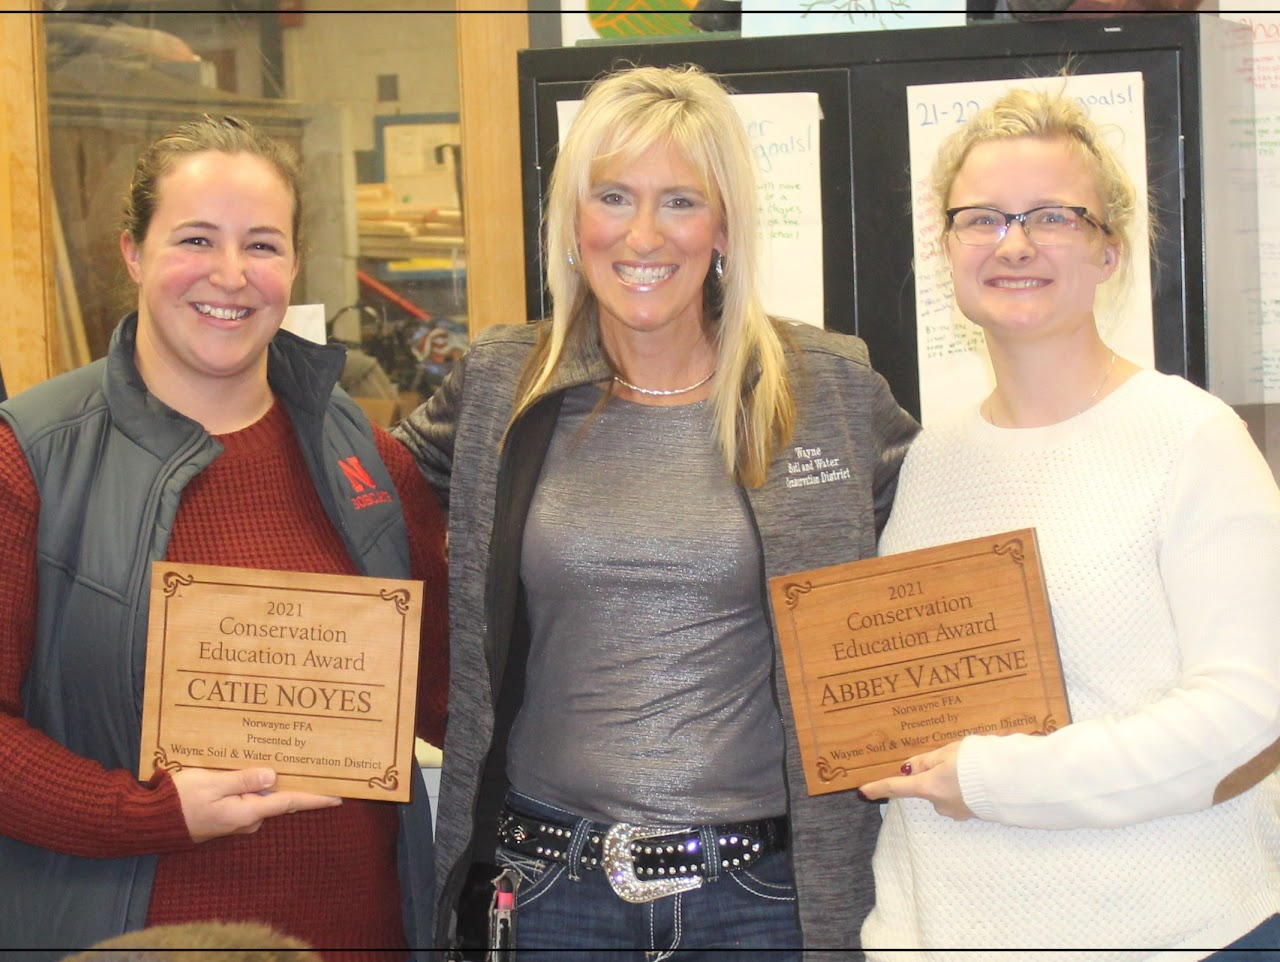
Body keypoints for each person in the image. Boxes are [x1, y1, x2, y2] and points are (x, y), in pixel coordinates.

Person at [393, 63, 918, 959]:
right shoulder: (502, 385)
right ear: (573, 224)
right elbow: (357, 500)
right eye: (613, 197)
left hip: (766, 900)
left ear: (724, 227)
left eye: (680, 200)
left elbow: (957, 538)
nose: (643, 235)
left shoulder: (826, 388)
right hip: (547, 892)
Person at [0, 116, 449, 960]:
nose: (231, 275)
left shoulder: (367, 460)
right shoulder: (31, 458)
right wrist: (151, 813)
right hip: (135, 942)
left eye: (262, 245)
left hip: (358, 936)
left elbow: (448, 693)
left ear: (294, 265)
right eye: (196, 239)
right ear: (134, 253)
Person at [858, 87, 1280, 958]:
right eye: (982, 218)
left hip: (1176, 936)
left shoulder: (1191, 439)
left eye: (1053, 216)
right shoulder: (929, 463)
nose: (1013, 244)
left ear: (1108, 250)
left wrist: (998, 779)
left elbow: (1249, 713)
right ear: (946, 248)